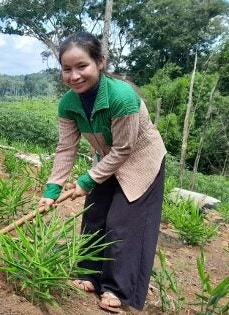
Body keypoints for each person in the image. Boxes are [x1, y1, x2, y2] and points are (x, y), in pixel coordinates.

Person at [38, 32, 167, 313]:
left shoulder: (121, 97)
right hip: (108, 160)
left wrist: (87, 179)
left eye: (81, 66)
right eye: (67, 69)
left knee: (123, 222)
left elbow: (124, 149)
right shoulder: (68, 104)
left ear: (99, 62)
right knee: (95, 214)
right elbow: (65, 150)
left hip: (141, 159)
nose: (74, 76)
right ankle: (88, 275)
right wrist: (51, 190)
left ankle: (118, 290)